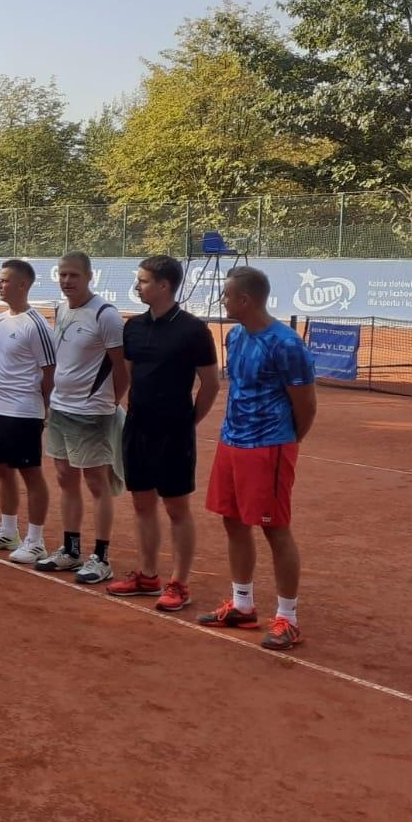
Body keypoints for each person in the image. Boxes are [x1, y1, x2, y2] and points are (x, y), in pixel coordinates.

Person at [199, 267, 316, 650]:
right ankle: (243, 605)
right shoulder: (235, 337)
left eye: (227, 296)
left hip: (268, 449)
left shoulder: (285, 344)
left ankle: (288, 618)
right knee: (233, 522)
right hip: (231, 443)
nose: (224, 301)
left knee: (275, 529)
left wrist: (283, 443)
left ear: (244, 300)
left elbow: (306, 407)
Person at [106, 255, 220, 611]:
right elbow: (127, 376)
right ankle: (147, 575)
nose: (137, 286)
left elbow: (211, 384)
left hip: (174, 433)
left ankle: (179, 584)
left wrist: (188, 422)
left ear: (164, 285)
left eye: (142, 281)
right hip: (137, 428)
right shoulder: (133, 327)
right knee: (142, 503)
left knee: (176, 507)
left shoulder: (193, 330)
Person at [35, 251, 128, 583]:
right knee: (64, 479)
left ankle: (101, 558)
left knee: (96, 484)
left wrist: (107, 404)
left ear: (90, 276)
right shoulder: (60, 309)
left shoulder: (106, 315)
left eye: (73, 275)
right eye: (62, 275)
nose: (67, 281)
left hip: (92, 414)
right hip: (60, 409)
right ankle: (70, 550)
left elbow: (122, 368)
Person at [0, 260, 54, 562]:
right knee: (2, 469)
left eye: (4, 280)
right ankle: (8, 530)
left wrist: (43, 409)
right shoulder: (1, 321)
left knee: (31, 474)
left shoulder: (37, 324)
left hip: (24, 410)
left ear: (22, 285)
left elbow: (49, 372)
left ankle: (36, 540)